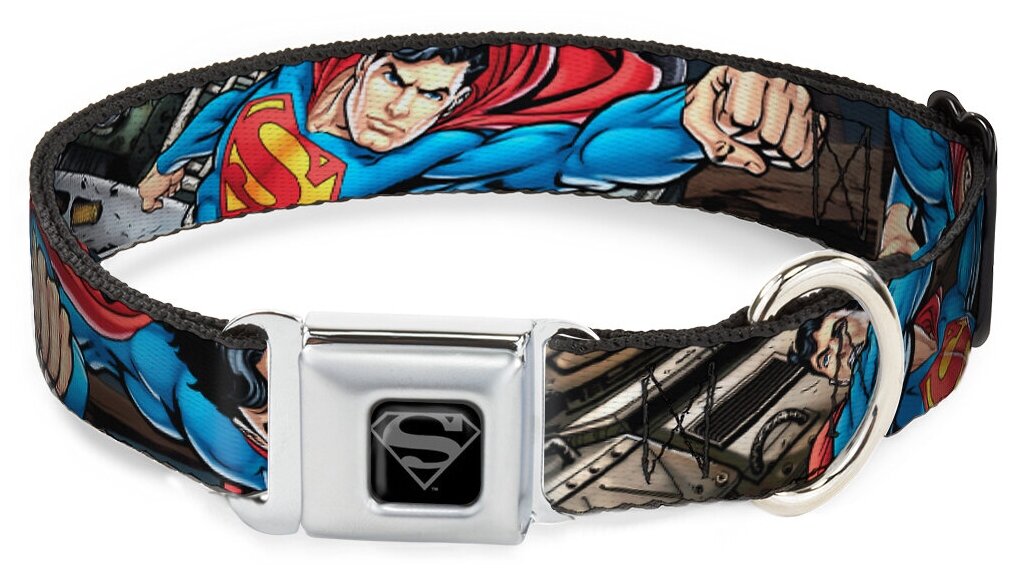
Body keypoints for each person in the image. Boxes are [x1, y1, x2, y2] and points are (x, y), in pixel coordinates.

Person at [136, 45, 824, 223]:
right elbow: (225, 112)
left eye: (433, 97)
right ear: (364, 67)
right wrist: (165, 168)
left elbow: (581, 151)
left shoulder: (446, 151)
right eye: (395, 80)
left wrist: (684, 120)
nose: (402, 110)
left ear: (457, 102)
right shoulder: (291, 83)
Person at [788, 111, 983, 479]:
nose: (840, 351)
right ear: (840, 381)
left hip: (944, 204)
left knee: (916, 141)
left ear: (851, 307)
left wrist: (896, 215)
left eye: (836, 333)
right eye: (827, 360)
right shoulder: (883, 394)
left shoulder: (906, 285)